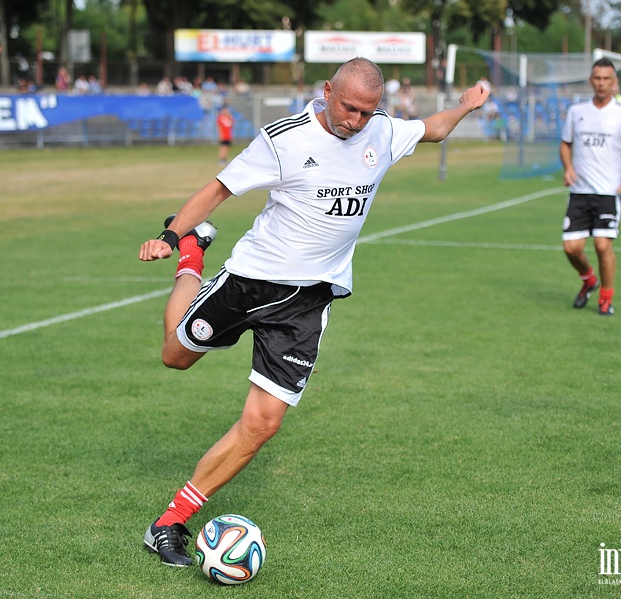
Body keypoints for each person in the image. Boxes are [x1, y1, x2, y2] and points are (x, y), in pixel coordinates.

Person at [137, 57, 489, 567]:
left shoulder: (382, 133)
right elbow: (218, 189)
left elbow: (431, 129)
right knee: (175, 356)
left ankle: (169, 523)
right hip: (251, 282)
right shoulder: (285, 139)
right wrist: (171, 237)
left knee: (261, 424)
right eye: (349, 108)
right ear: (327, 92)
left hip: (307, 302)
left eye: (368, 112)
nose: (357, 121)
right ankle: (194, 254)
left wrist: (463, 106)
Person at [560, 57, 621, 317]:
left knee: (602, 246)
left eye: (607, 79)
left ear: (615, 82)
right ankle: (589, 280)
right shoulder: (577, 112)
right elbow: (566, 143)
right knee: (571, 248)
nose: (601, 83)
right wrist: (569, 168)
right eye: (597, 78)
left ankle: (606, 298)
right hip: (580, 191)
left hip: (609, 192)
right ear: (590, 81)